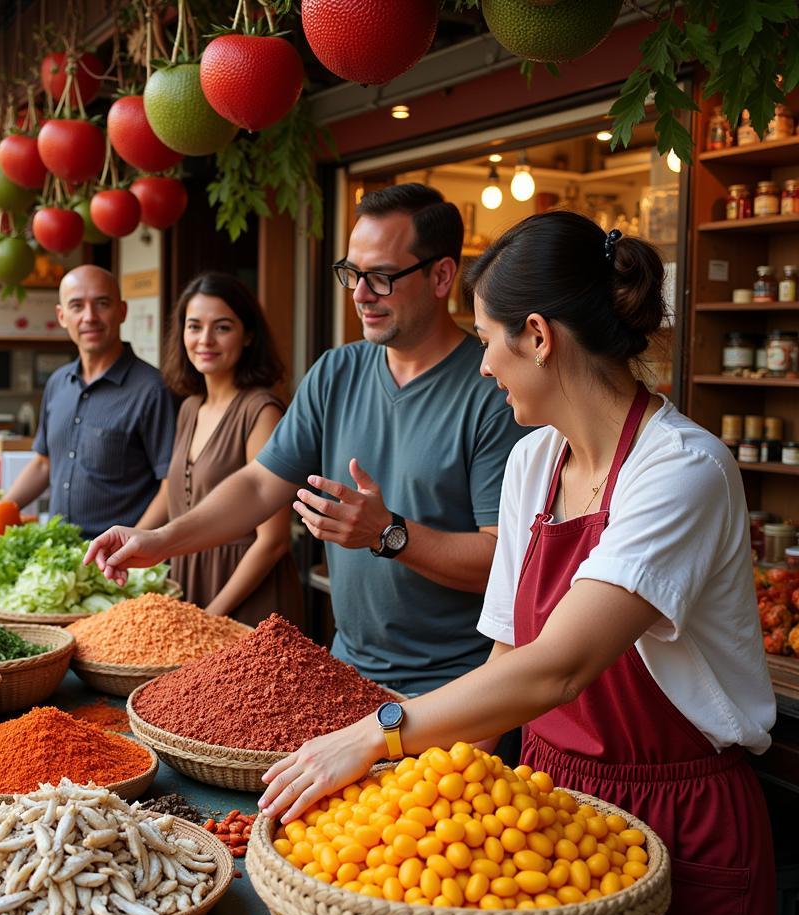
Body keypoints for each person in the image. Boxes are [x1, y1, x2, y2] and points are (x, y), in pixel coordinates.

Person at [258, 212, 776, 915]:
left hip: (675, 814)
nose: (485, 363)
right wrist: (401, 802)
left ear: (538, 336)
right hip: (540, 805)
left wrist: (375, 732)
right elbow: (506, 669)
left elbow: (559, 666)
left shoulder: (682, 471)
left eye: (492, 339)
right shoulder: (535, 460)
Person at [86, 184, 529, 693]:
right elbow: (257, 486)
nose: (361, 294)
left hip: (458, 684)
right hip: (344, 670)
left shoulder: (494, 386)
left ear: (442, 276)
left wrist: (387, 534)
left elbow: (503, 562)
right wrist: (160, 541)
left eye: (381, 277)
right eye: (352, 274)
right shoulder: (337, 370)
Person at [135, 272, 303, 625]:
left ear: (248, 336)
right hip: (188, 581)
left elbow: (273, 541)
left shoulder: (262, 411)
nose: (205, 340)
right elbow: (172, 489)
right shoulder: (189, 407)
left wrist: (212, 617)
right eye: (194, 326)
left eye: (222, 327)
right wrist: (136, 543)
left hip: (244, 591)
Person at [4, 265, 176, 537]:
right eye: (76, 306)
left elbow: (171, 488)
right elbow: (43, 463)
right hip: (59, 555)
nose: (89, 317)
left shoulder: (153, 390)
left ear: (122, 311)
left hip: (119, 567)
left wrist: (129, 549)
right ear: (62, 316)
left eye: (102, 304)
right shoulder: (58, 383)